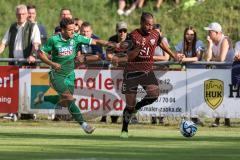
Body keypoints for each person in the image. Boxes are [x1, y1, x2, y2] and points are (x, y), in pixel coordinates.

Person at [37, 18, 116, 134]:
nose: (72, 32)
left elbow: (96, 42)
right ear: (63, 30)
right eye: (70, 30)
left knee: (65, 103)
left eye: (74, 30)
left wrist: (112, 44)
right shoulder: (54, 40)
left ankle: (43, 98)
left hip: (70, 75)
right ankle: (84, 125)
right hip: (57, 75)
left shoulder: (76, 38)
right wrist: (52, 63)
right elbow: (40, 53)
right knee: (69, 99)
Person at [120, 12, 177, 138]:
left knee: (154, 94)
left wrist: (174, 55)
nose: (150, 27)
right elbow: (128, 57)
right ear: (141, 23)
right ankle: (124, 129)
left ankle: (137, 107)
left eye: (151, 24)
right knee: (130, 104)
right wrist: (138, 49)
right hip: (132, 72)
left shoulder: (156, 33)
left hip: (146, 71)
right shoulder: (133, 36)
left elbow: (164, 45)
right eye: (147, 25)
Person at [0, 4, 41, 121]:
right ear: (16, 15)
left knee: (26, 90)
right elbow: (3, 43)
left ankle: (30, 113)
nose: (21, 16)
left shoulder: (33, 27)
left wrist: (33, 55)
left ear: (27, 14)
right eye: (18, 14)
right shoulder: (12, 27)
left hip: (27, 63)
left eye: (23, 14)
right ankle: (12, 113)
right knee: (12, 90)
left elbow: (36, 44)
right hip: (13, 63)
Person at [204, 22, 234, 127]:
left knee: (224, 97)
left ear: (217, 33)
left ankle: (223, 120)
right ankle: (223, 120)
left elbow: (221, 59)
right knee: (219, 96)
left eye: (210, 31)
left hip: (230, 72)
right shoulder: (213, 42)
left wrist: (212, 59)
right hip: (221, 72)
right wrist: (210, 45)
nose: (208, 33)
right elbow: (207, 59)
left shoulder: (225, 40)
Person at [99, 21, 131, 123]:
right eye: (120, 31)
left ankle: (130, 117)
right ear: (116, 31)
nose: (122, 33)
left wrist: (116, 59)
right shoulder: (112, 40)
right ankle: (109, 116)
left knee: (129, 95)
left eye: (124, 31)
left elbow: (131, 57)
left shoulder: (131, 40)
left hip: (128, 72)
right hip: (114, 72)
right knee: (111, 94)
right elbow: (108, 55)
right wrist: (119, 59)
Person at [150, 23, 170, 125]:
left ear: (161, 33)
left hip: (163, 73)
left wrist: (152, 58)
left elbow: (166, 58)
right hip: (151, 72)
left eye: (158, 33)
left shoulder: (163, 40)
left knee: (162, 96)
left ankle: (161, 118)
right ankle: (153, 117)